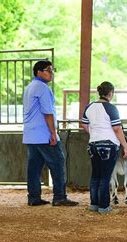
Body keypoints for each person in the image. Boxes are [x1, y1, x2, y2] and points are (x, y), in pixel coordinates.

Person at [23, 60, 78, 207]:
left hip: (31, 135)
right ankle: (59, 196)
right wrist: (53, 133)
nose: (51, 73)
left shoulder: (30, 87)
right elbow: (48, 113)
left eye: (52, 70)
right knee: (58, 163)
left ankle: (33, 197)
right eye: (48, 70)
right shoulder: (42, 88)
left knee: (34, 168)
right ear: (39, 71)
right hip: (43, 134)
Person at [81, 82, 127, 214]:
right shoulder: (111, 108)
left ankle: (94, 204)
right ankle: (104, 206)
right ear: (111, 93)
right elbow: (117, 129)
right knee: (105, 176)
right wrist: (125, 146)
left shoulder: (89, 107)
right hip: (109, 144)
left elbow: (84, 125)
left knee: (95, 175)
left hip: (93, 144)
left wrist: (95, 134)